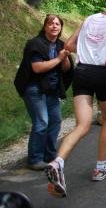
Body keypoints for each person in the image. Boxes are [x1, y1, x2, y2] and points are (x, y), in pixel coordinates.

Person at [45, 0, 106, 198]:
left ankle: (57, 162)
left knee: (82, 125)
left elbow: (68, 45)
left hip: (82, 71)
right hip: (105, 73)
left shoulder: (89, 19)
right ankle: (101, 166)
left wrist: (88, 49)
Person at [14, 15, 73, 171]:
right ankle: (35, 159)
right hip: (34, 88)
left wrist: (65, 57)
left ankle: (49, 155)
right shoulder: (35, 44)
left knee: (55, 121)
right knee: (42, 122)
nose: (54, 26)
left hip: (52, 88)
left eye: (57, 24)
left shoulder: (61, 44)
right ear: (45, 27)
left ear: (61, 27)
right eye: (50, 24)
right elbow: (37, 68)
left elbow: (66, 69)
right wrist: (59, 58)